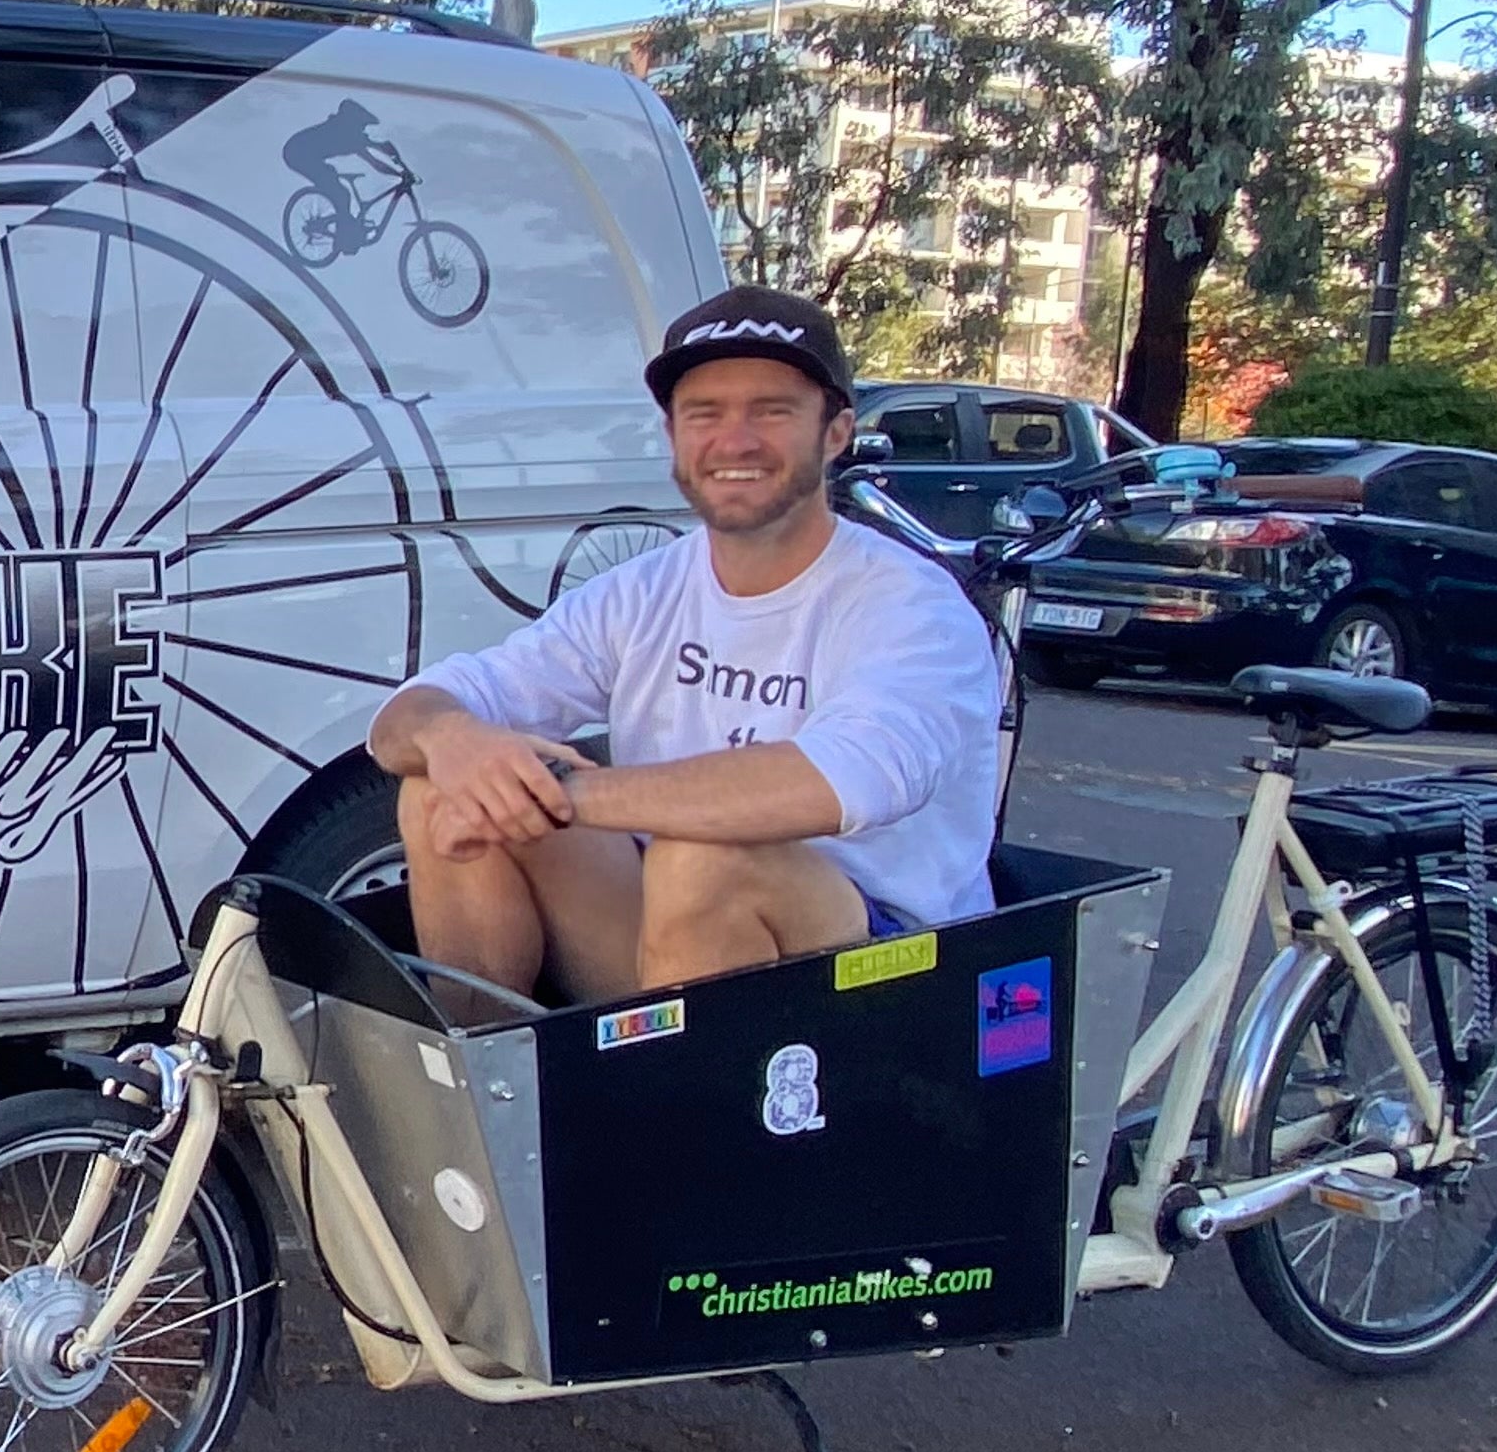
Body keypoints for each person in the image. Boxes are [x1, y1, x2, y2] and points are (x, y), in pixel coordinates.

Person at [363, 287, 1004, 1003]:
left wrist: (561, 796)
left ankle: (674, 1111)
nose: (735, 441)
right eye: (705, 414)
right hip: (676, 944)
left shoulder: (911, 606)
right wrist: (452, 740)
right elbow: (406, 720)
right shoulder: (643, 590)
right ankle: (479, 1093)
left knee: (702, 858)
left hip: (887, 977)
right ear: (673, 436)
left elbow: (842, 781)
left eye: (772, 410)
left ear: (835, 433)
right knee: (439, 785)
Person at [280, 97, 413, 255]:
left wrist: (402, 166)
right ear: (353, 122)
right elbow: (376, 163)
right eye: (362, 125)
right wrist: (399, 173)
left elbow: (382, 147)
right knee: (341, 194)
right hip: (297, 153)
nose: (363, 130)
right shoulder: (345, 134)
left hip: (304, 154)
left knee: (335, 185)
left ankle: (347, 233)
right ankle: (342, 240)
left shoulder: (349, 134)